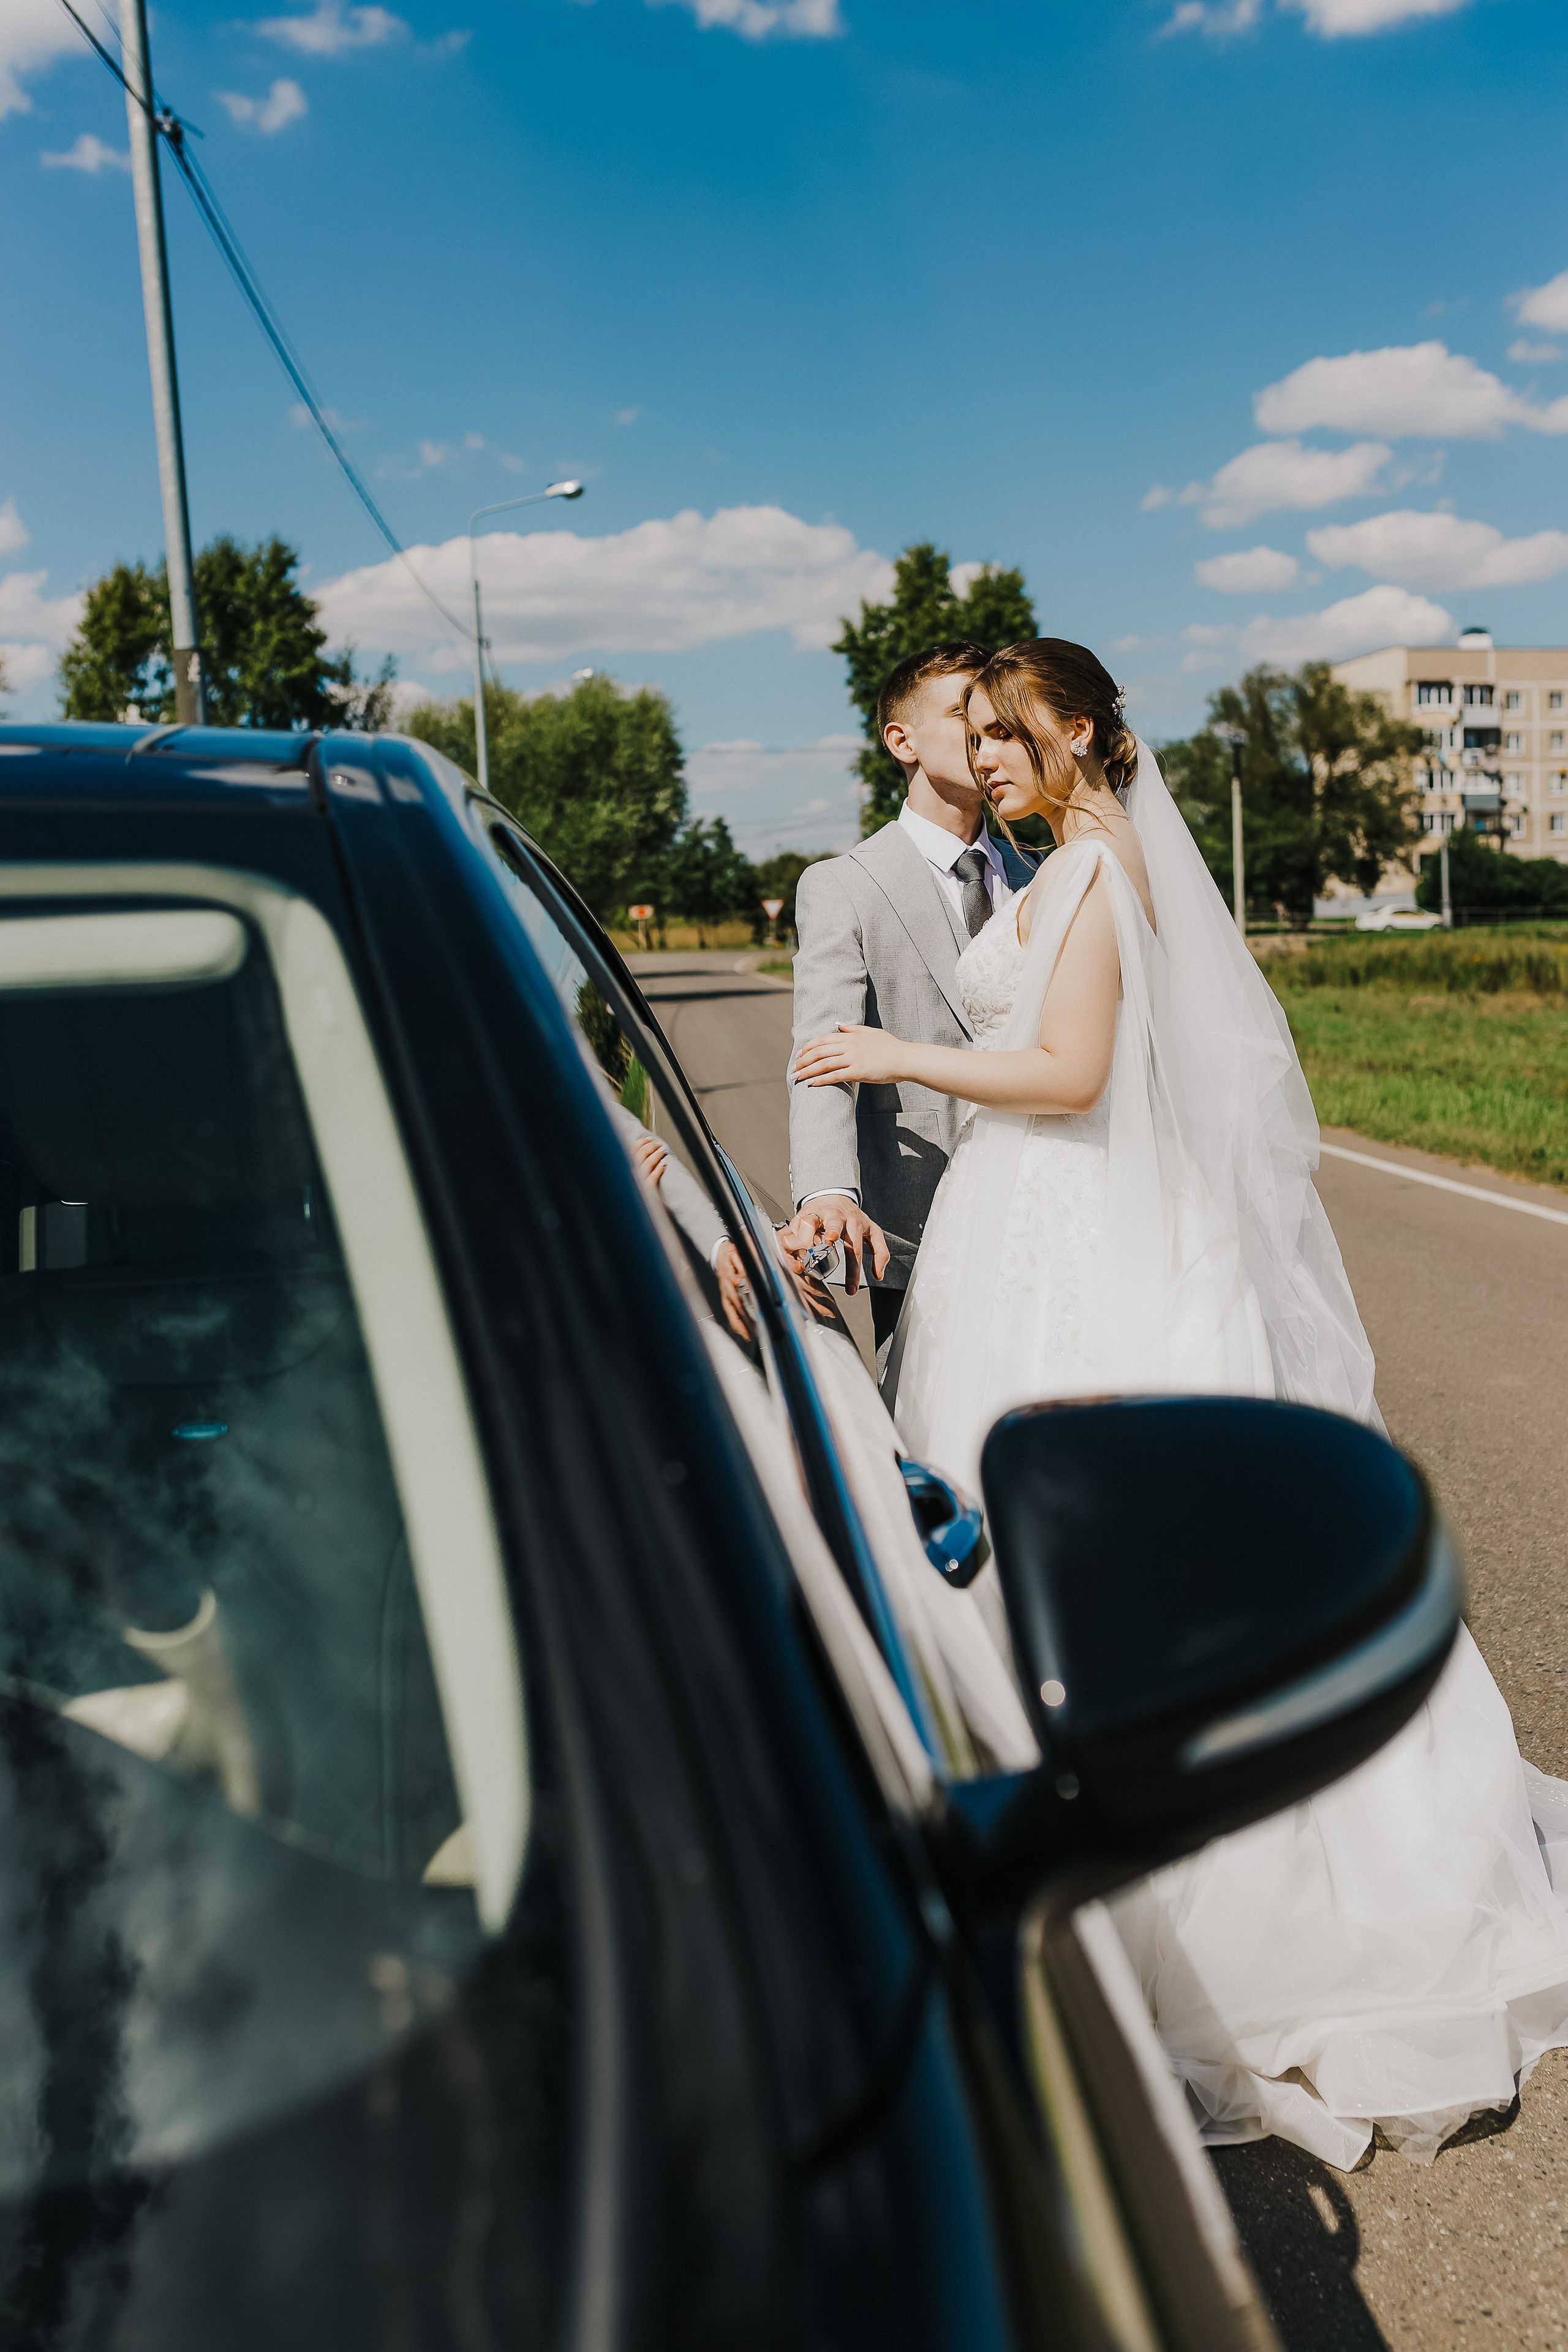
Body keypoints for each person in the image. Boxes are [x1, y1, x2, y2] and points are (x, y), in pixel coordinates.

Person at [793, 634, 1568, 2172]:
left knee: (1084, 1562)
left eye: (1012, 733)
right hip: (1037, 1232)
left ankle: (1177, 1903)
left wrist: (892, 1047)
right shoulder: (1078, 859)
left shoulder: (1085, 871)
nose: (992, 755)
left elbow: (1072, 1071)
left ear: (1077, 733)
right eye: (978, 736)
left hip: (1073, 1234)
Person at [781, 642, 1037, 1359]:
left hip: (1050, 1202)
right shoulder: (842, 885)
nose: (988, 737)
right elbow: (822, 1055)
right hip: (920, 1219)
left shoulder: (1046, 873)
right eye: (964, 715)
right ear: (901, 741)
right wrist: (829, 1192)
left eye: (1001, 720)